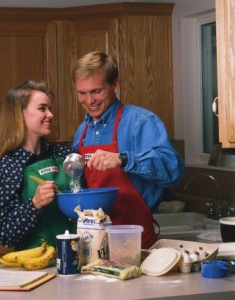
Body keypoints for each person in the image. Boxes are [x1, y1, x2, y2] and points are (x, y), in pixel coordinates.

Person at [72, 51, 185, 249]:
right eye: (82, 93)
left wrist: (124, 159)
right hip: (92, 240)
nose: (89, 101)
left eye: (96, 91)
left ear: (115, 85)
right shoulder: (82, 131)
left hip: (135, 237)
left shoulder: (141, 122)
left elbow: (174, 171)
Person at [0, 80, 75, 250]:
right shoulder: (5, 170)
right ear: (20, 114)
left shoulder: (63, 155)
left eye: (50, 108)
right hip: (35, 267)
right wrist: (35, 204)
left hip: (76, 259)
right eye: (42, 109)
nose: (50, 114)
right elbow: (5, 236)